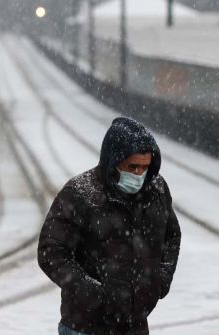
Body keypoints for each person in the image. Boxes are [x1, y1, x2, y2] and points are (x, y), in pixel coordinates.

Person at [38, 117, 181, 335]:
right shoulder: (81, 194)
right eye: (132, 167)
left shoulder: (157, 190)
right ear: (113, 161)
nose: (138, 175)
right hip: (85, 326)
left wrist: (160, 279)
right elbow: (51, 251)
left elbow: (171, 236)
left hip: (135, 326)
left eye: (144, 167)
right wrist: (92, 292)